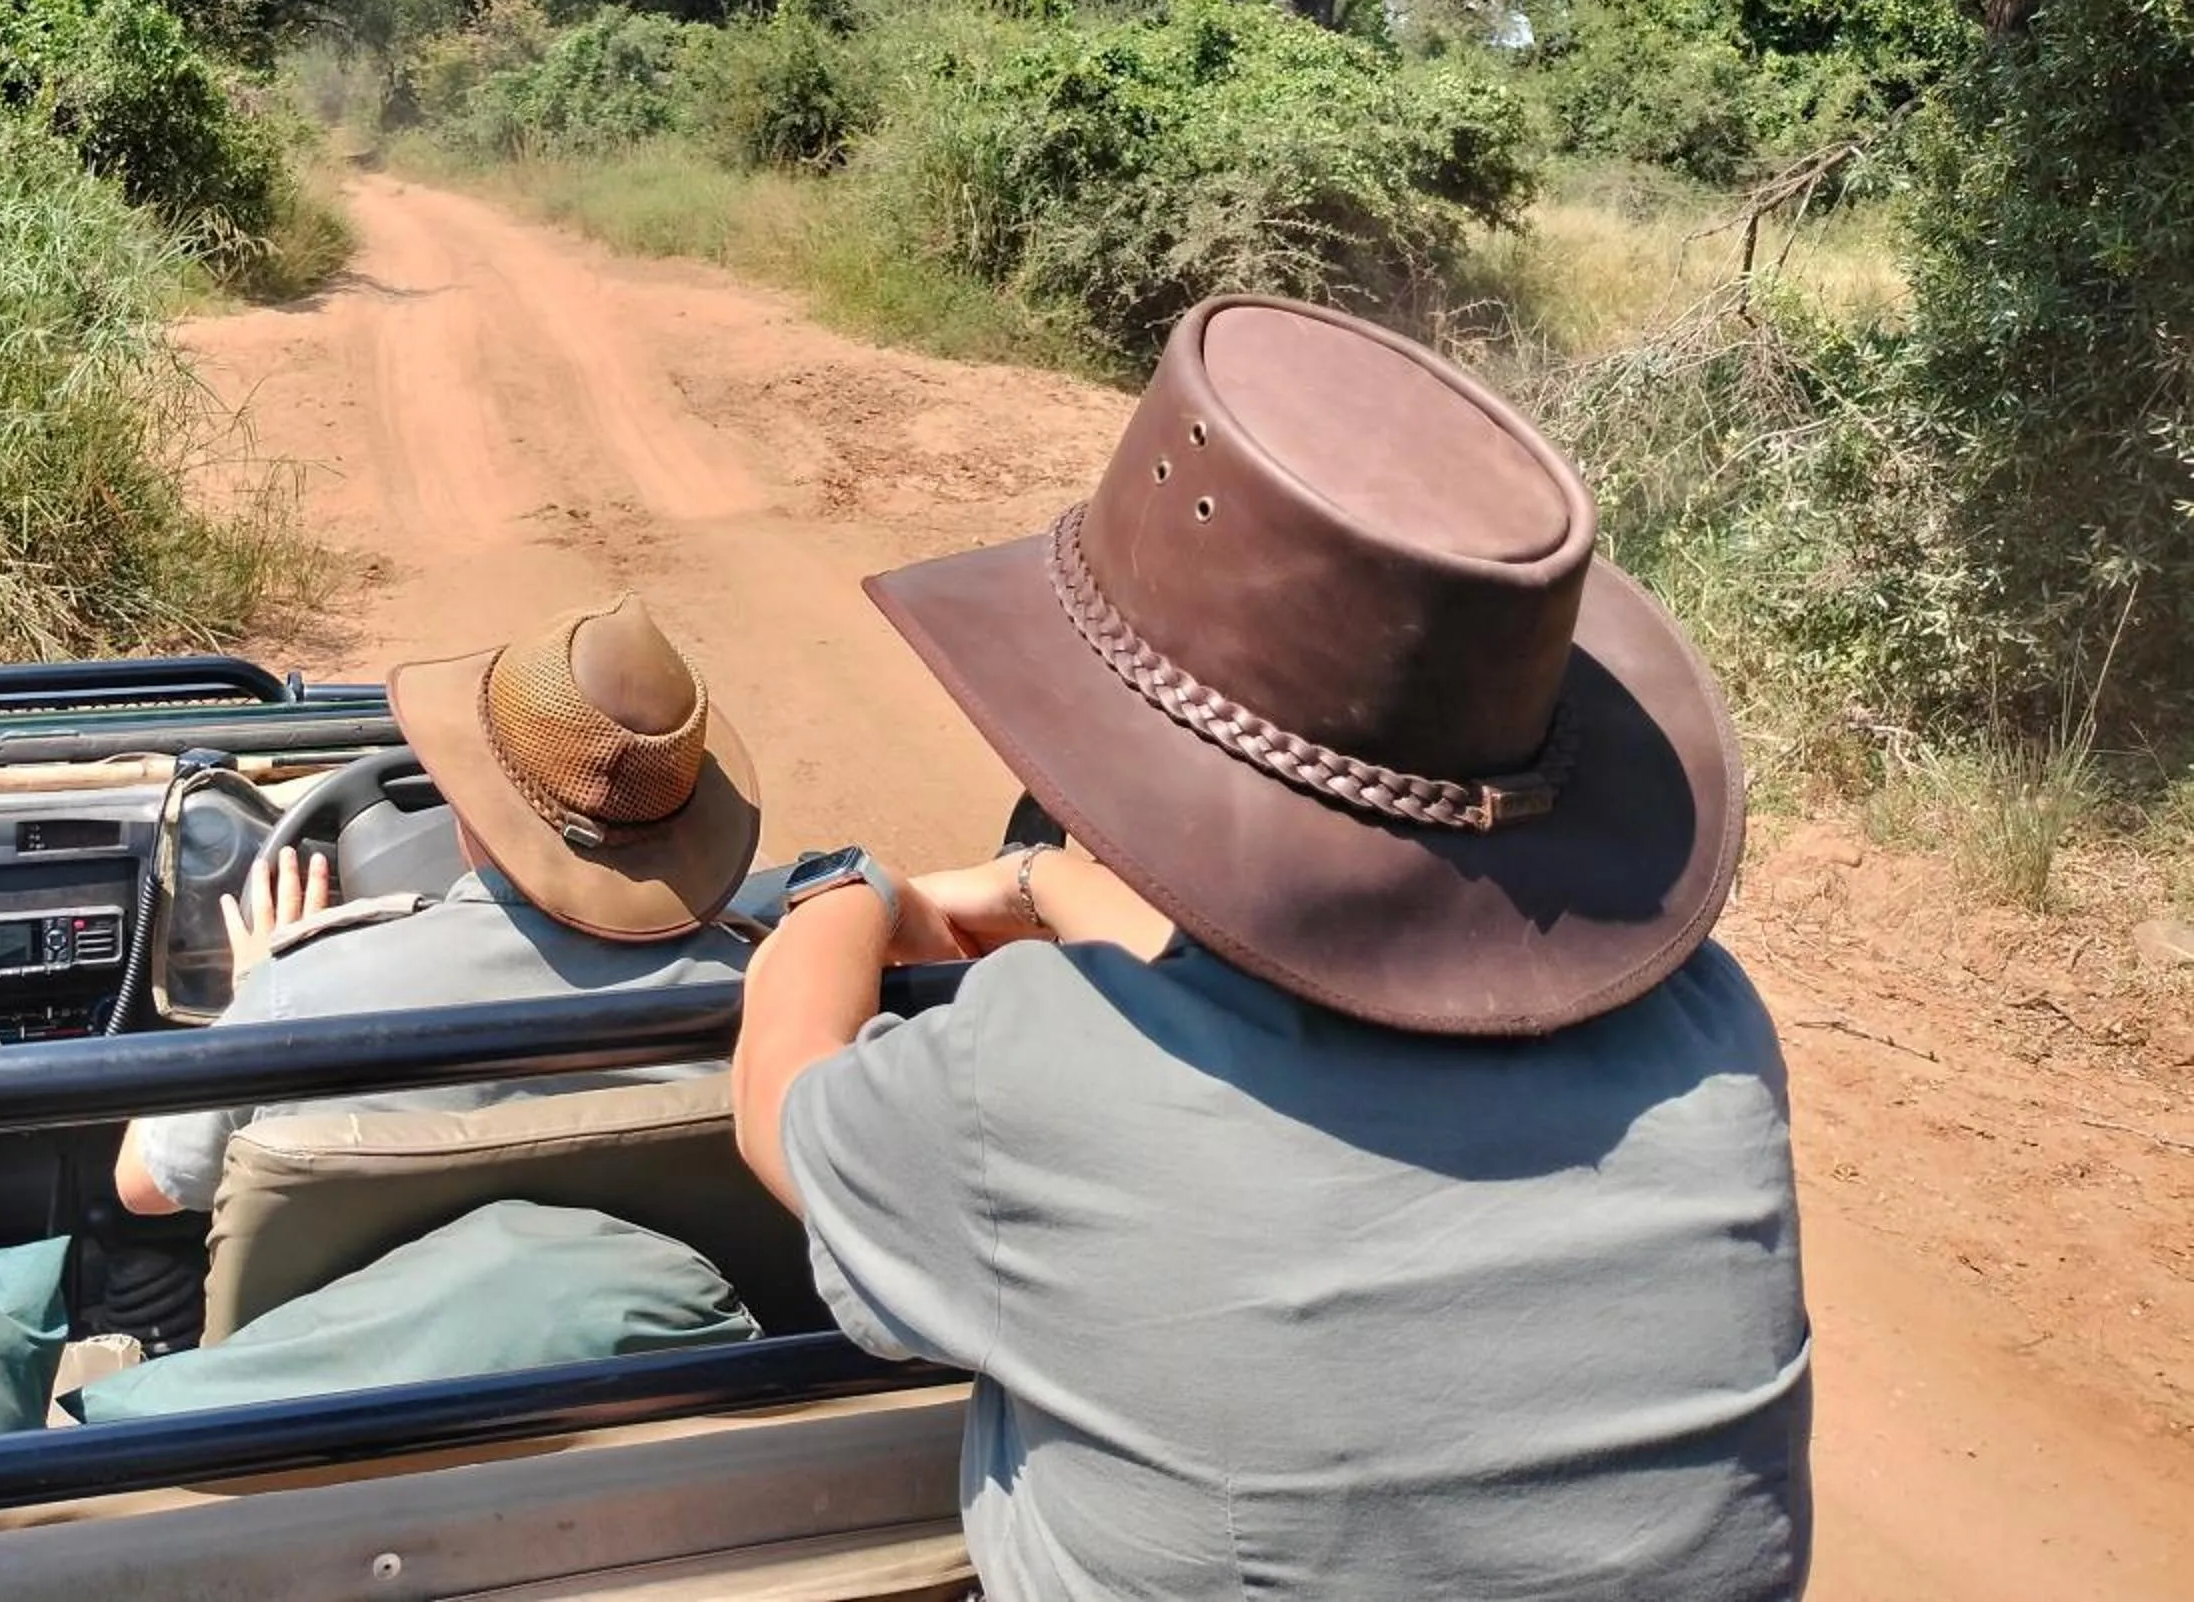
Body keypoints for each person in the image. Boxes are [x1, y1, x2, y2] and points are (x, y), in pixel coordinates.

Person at [733, 295, 1813, 1601]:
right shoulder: (1708, 1031)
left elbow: (780, 1100)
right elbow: (1320, 988)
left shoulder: (1039, 1073)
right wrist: (1045, 882)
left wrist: (844, 890)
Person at [115, 593, 758, 1219]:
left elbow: (144, 1185)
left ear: (468, 799)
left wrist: (247, 1001)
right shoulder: (756, 993)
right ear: (689, 821)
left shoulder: (301, 996)